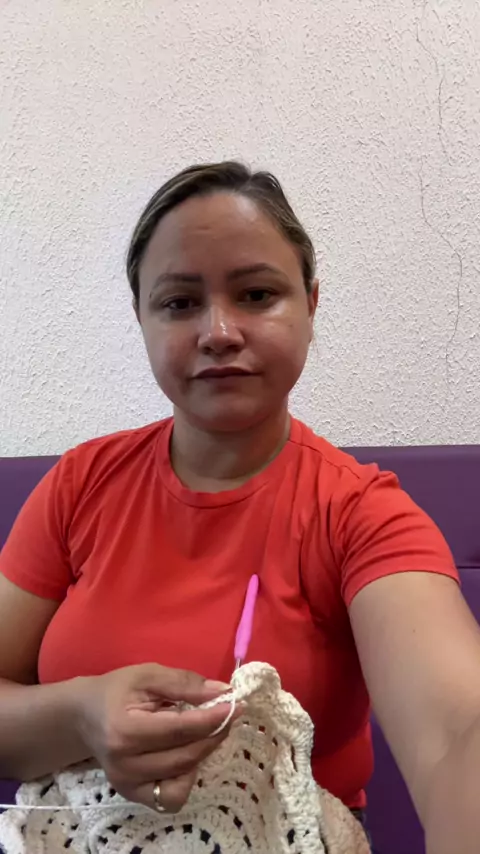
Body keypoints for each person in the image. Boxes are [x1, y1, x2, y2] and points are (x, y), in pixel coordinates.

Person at [0, 161, 479, 854]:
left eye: (257, 294)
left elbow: (456, 733)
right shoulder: (82, 484)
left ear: (311, 305)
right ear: (141, 318)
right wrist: (79, 716)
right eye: (179, 302)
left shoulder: (360, 514)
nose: (219, 331)